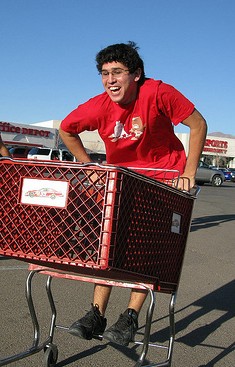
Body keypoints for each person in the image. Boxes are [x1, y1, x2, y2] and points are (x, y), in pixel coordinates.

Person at [59, 41, 207, 346]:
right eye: (104, 73)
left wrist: (189, 173)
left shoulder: (158, 92)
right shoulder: (99, 105)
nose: (110, 79)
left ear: (136, 74)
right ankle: (96, 313)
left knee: (144, 249)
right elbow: (66, 129)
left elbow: (197, 123)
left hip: (163, 179)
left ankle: (129, 317)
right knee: (109, 246)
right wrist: (88, 166)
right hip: (123, 181)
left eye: (117, 72)